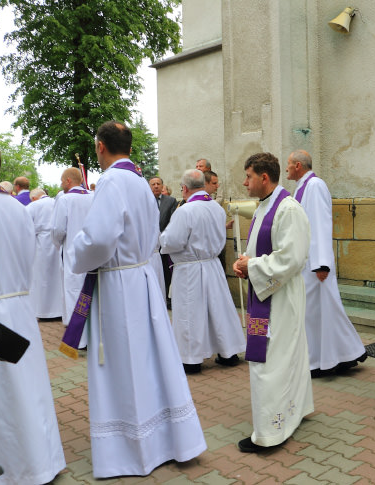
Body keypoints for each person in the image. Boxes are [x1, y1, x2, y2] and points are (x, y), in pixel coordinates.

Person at [68, 121, 206, 478]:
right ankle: (166, 438)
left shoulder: (113, 180)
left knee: (125, 362)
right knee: (148, 361)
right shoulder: (142, 184)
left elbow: (98, 240)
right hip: (142, 278)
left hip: (119, 287)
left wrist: (75, 252)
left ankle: (133, 449)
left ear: (100, 147)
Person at [0, 136, 66, 484]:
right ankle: (38, 462)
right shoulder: (17, 207)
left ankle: (0, 470)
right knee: (27, 392)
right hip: (19, 310)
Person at [232, 152, 313, 453]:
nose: (245, 182)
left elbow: (291, 258)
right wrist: (246, 265)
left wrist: (250, 266)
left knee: (269, 361)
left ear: (264, 177)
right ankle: (293, 410)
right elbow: (262, 251)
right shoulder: (264, 207)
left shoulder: (288, 209)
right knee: (281, 356)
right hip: (267, 293)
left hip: (280, 297)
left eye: (248, 176)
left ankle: (270, 431)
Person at [285, 149, 367, 375]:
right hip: (306, 260)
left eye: (289, 164)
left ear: (299, 166)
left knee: (318, 311)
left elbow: (320, 222)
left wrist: (321, 263)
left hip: (315, 263)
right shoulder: (301, 186)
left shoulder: (315, 185)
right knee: (321, 311)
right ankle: (344, 353)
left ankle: (326, 359)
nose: (286, 169)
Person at [160, 169, 245, 374]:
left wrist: (161, 239)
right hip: (212, 265)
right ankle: (229, 352)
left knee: (190, 312)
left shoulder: (185, 210)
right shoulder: (216, 208)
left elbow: (173, 241)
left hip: (190, 268)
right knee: (219, 309)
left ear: (185, 188)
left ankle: (190, 359)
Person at [51, 167, 93, 336]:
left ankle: (78, 335)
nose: (61, 185)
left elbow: (58, 229)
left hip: (73, 253)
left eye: (62, 181)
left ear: (68, 180)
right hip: (92, 253)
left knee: (74, 290)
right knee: (91, 292)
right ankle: (92, 332)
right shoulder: (94, 196)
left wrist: (57, 244)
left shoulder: (65, 200)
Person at [26, 187, 64, 319]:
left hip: (41, 244)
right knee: (57, 277)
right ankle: (59, 310)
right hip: (58, 242)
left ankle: (42, 311)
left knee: (41, 277)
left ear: (34, 197)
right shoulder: (57, 202)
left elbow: (25, 227)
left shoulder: (33, 206)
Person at [149, 175, 177, 305]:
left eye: (158, 184)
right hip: (150, 245)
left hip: (165, 244)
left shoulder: (171, 201)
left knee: (166, 272)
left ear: (162, 186)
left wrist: (164, 238)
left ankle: (166, 299)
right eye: (153, 184)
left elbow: (172, 222)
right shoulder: (145, 201)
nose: (156, 186)